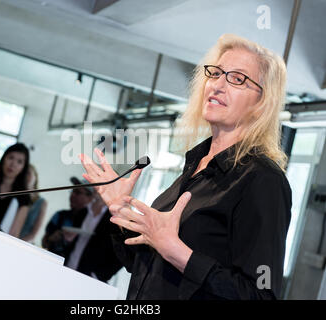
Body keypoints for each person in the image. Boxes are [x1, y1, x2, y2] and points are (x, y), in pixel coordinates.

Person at [79, 34, 292, 300]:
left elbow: (262, 294)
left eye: (237, 79)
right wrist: (121, 212)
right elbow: (143, 267)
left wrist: (178, 253)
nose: (217, 85)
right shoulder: (195, 167)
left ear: (261, 104)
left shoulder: (263, 180)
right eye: (215, 74)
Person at [41, 177, 93, 258]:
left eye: (77, 192)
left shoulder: (92, 223)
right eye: (73, 191)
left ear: (90, 198)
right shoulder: (60, 215)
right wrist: (52, 238)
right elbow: (44, 242)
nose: (72, 195)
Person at [19, 164, 47, 242]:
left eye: (28, 173)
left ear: (35, 176)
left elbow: (33, 234)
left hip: (24, 243)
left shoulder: (42, 203)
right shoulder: (16, 197)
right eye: (23, 173)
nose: (25, 176)